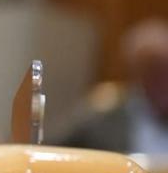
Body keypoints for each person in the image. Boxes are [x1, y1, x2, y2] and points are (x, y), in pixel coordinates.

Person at [65, 18, 168, 154]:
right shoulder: (103, 119)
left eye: (165, 68)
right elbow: (53, 147)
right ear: (136, 74)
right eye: (152, 70)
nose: (162, 79)